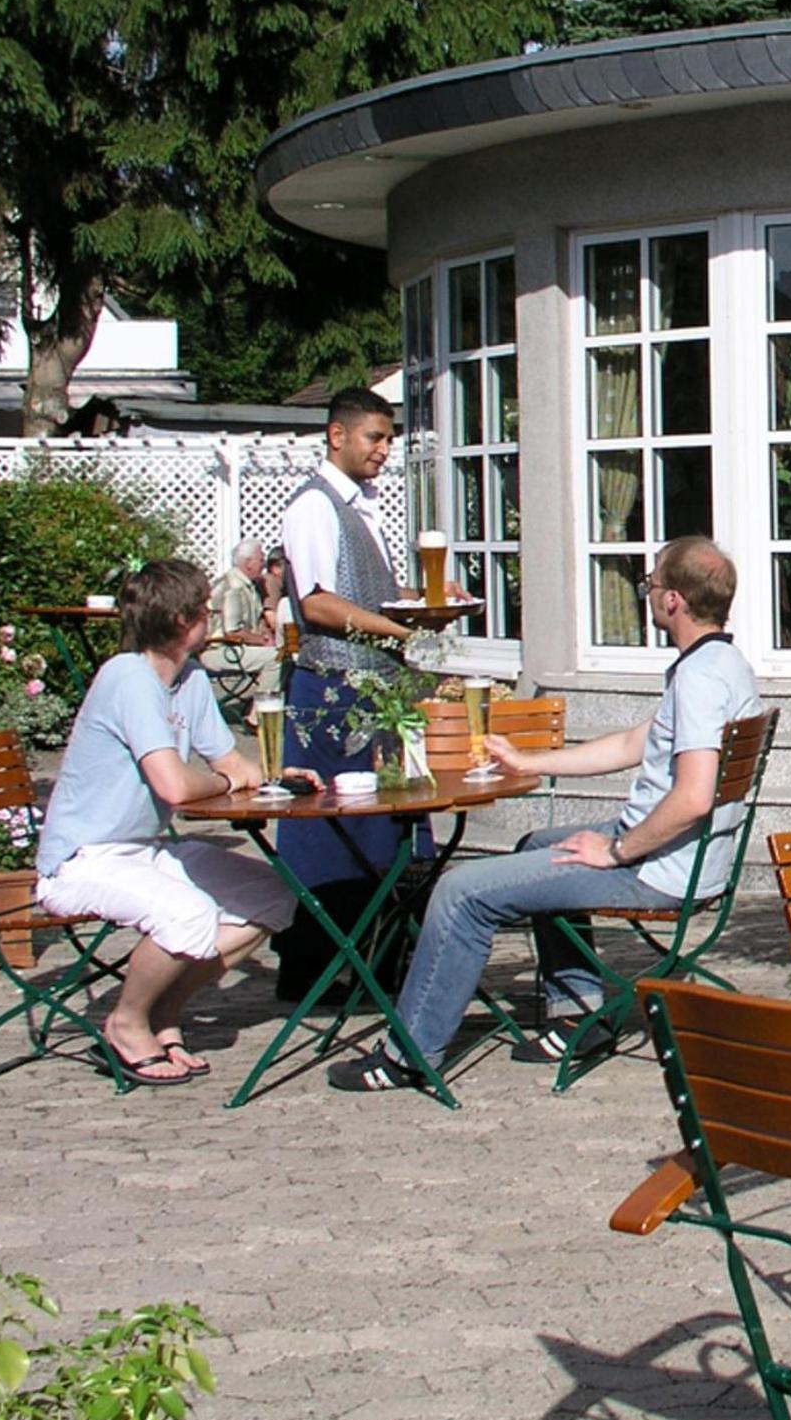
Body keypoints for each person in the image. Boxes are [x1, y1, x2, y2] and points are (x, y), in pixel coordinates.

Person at [328, 536, 760, 1092]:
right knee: (537, 844)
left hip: (659, 870)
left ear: (674, 600)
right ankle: (579, 1014)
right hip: (690, 861)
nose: (647, 594)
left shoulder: (699, 678)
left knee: (461, 892)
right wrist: (531, 760)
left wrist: (616, 851)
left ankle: (409, 1055)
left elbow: (694, 796)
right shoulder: (724, 664)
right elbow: (634, 743)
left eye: (650, 584)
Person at [34, 558, 313, 1085]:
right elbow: (176, 788)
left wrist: (276, 776)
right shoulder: (128, 677)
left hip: (145, 848)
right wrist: (228, 783)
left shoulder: (189, 678)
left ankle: (163, 1012)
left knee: (273, 895)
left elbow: (229, 763)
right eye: (206, 609)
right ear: (184, 620)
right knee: (188, 914)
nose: (212, 616)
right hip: (83, 857)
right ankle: (126, 1023)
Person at [271, 386, 451, 999]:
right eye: (375, 437)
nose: (383, 450)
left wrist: (425, 603)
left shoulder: (361, 506)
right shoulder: (314, 507)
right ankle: (313, 970)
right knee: (329, 834)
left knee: (381, 828)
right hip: (331, 692)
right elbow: (318, 603)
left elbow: (365, 594)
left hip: (371, 690)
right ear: (337, 435)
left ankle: (380, 963)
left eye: (389, 439)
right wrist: (403, 631)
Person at [198, 538, 280, 705]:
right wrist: (262, 641)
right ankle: (260, 712)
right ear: (248, 563)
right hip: (219, 650)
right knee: (276, 658)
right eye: (261, 560)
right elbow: (232, 631)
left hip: (235, 650)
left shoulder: (248, 586)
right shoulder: (234, 587)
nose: (264, 565)